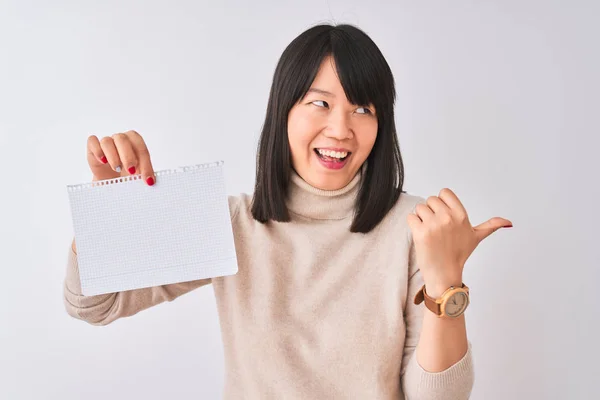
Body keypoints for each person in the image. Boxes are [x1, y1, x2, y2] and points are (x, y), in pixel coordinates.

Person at [64, 23, 511, 399]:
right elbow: (95, 305)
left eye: (362, 108)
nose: (341, 129)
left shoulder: (415, 228)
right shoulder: (234, 224)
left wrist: (445, 283)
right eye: (320, 103)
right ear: (283, 111)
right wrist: (110, 216)